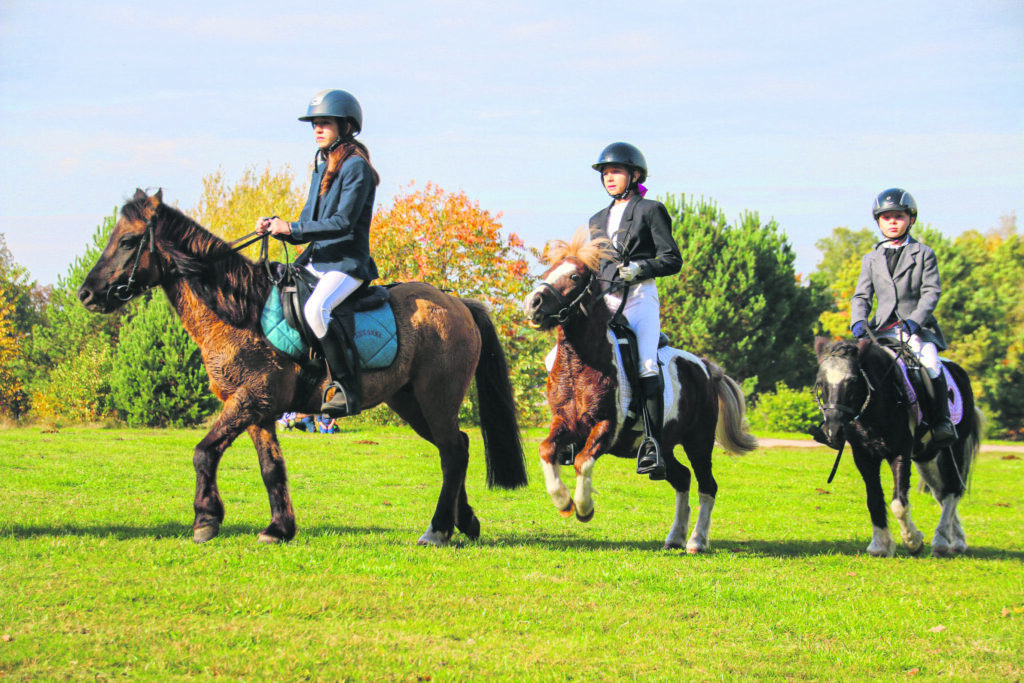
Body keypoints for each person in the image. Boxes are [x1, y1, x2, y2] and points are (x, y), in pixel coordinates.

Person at [257, 89, 380, 418]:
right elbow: (310, 220)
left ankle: (346, 388)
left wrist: (292, 229)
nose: (317, 129)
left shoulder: (357, 168)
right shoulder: (322, 166)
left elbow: (341, 223)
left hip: (346, 264)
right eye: (314, 124)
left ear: (345, 126)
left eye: (324, 123)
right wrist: (276, 225)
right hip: (316, 261)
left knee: (315, 310)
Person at [588, 142, 682, 479]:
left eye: (615, 171)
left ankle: (653, 446)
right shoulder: (596, 219)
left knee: (645, 365)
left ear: (635, 175)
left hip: (641, 297)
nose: (609, 177)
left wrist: (640, 267)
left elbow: (672, 259)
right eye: (605, 173)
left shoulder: (650, 210)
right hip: (606, 300)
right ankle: (573, 434)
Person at [850, 188, 956, 447]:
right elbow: (861, 296)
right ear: (878, 221)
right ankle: (841, 423)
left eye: (898, 216)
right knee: (847, 365)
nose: (893, 222)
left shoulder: (924, 253)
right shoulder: (871, 259)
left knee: (930, 361)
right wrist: (858, 321)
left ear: (911, 219)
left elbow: (931, 292)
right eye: (886, 218)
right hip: (880, 330)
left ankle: (941, 420)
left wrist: (915, 320)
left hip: (915, 329)